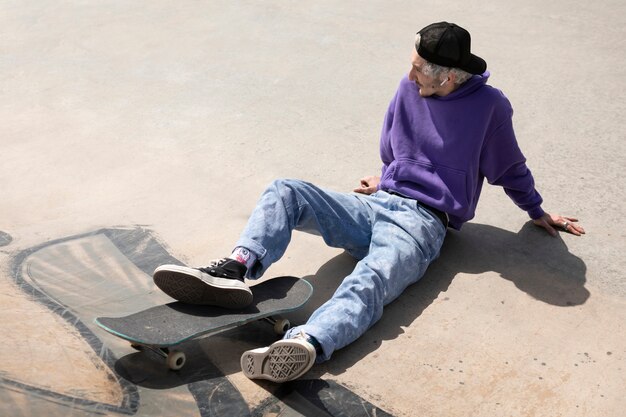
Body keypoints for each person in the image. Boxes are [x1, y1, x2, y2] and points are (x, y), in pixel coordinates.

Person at [152, 22, 585, 383]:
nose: (410, 76)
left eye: (419, 70)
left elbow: (509, 166)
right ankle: (236, 269)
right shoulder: (409, 86)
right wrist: (386, 176)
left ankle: (308, 342)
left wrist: (537, 211)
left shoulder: (489, 107)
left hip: (423, 223)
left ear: (448, 76)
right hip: (379, 203)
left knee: (372, 279)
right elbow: (391, 142)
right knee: (287, 189)